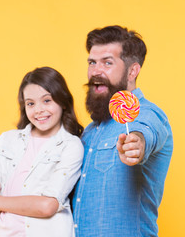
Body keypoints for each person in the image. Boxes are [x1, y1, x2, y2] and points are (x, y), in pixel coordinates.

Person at [72, 25, 173, 237]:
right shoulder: (90, 132)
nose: (95, 71)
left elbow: (146, 131)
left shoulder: (149, 114)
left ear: (132, 71)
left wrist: (137, 143)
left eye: (107, 62)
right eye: (92, 62)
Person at [0, 67, 84, 237]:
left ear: (63, 101)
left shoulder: (71, 145)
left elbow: (47, 206)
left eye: (47, 100)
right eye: (31, 103)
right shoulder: (8, 140)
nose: (38, 110)